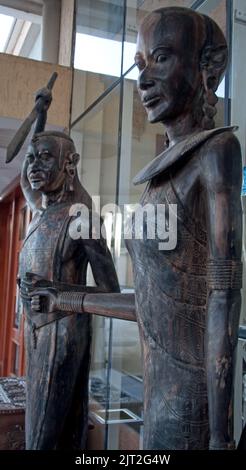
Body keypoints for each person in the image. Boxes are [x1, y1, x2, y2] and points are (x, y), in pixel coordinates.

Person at [29, 7, 243, 450]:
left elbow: (224, 295)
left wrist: (222, 434)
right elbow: (149, 306)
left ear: (208, 65)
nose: (143, 81)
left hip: (190, 394)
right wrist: (64, 297)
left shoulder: (216, 151)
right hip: (157, 387)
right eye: (140, 65)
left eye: (161, 58)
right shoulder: (161, 176)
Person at [19, 94, 119, 449]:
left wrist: (61, 295)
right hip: (37, 332)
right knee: (40, 431)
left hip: (63, 335)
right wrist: (41, 118)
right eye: (32, 158)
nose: (34, 166)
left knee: (43, 437)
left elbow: (111, 292)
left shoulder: (81, 217)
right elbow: (24, 180)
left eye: (46, 157)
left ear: (69, 165)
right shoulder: (41, 211)